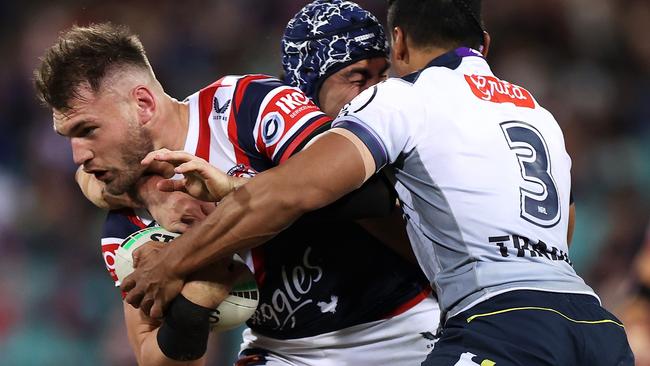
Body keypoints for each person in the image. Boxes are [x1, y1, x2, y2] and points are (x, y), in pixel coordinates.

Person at [121, 0, 635, 365]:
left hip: (500, 325)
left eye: (378, 71)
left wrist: (175, 260)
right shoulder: (534, 109)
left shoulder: (401, 100)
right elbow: (561, 227)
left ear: (400, 42)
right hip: (594, 327)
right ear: (484, 42)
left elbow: (292, 192)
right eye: (357, 77)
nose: (372, 87)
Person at [35, 2, 441, 365]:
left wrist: (223, 208)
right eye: (68, 138)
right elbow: (154, 356)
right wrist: (195, 306)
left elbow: (365, 190)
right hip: (283, 350)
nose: (78, 155)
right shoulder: (126, 223)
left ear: (142, 104)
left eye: (88, 130)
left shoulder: (244, 105)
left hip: (401, 325)